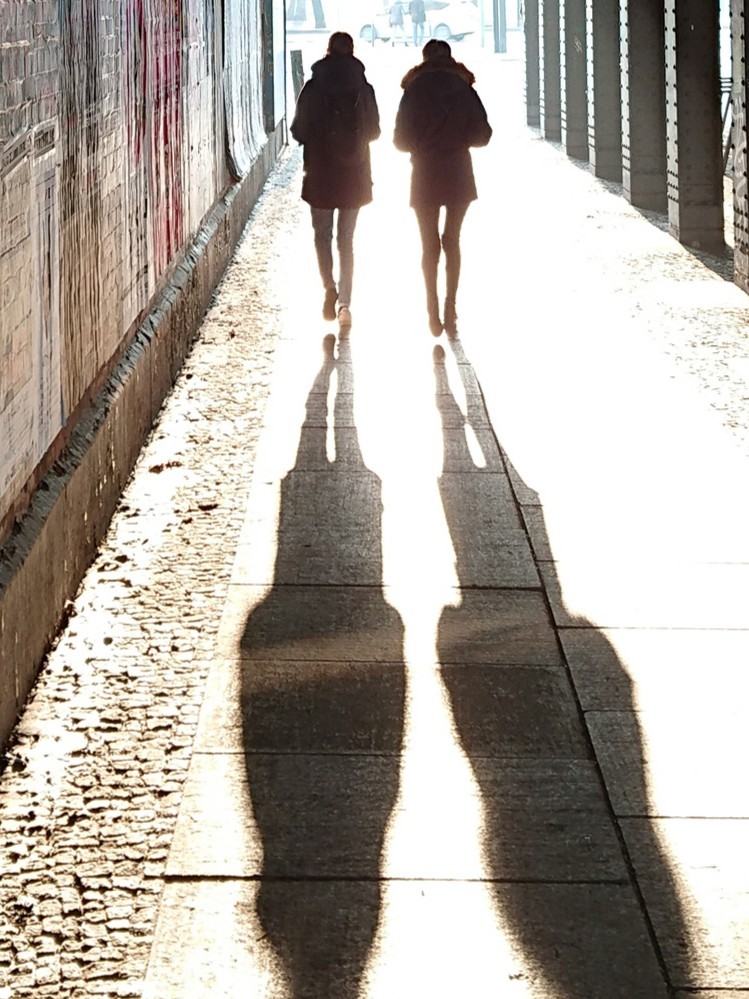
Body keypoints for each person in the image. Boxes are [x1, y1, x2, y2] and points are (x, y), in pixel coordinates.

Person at [393, 39, 492, 336]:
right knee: (452, 240)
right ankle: (451, 308)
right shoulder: (464, 89)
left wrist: (423, 143)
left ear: (424, 61)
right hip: (458, 171)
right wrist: (458, 139)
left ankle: (432, 311)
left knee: (429, 245)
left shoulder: (413, 91)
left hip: (424, 172)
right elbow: (484, 135)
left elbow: (399, 141)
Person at [290, 32, 381, 332]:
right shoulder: (363, 87)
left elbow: (299, 131)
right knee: (347, 240)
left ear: (327, 52)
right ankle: (345, 303)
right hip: (354, 173)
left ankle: (329, 285)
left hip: (320, 173)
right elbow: (375, 131)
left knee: (322, 235)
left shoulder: (314, 87)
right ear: (352, 52)